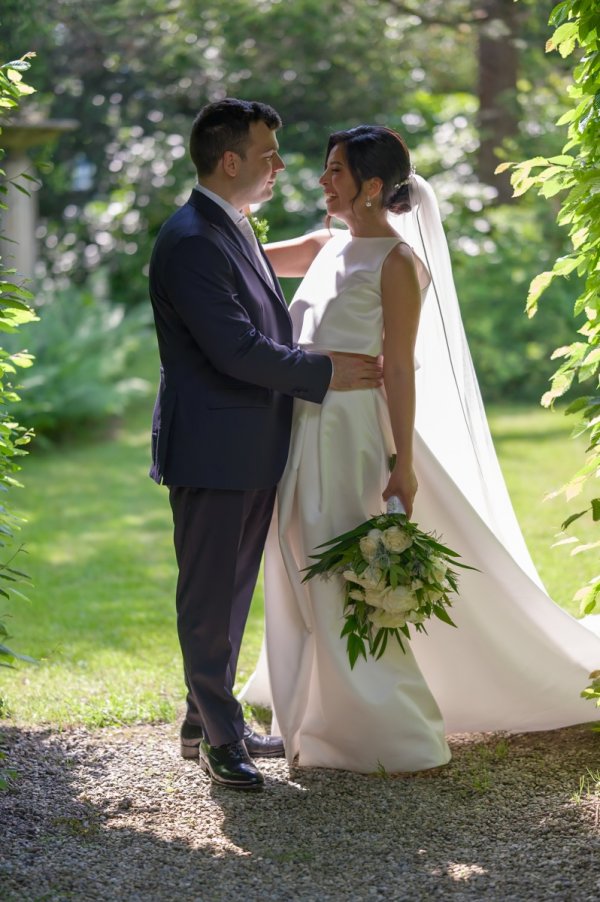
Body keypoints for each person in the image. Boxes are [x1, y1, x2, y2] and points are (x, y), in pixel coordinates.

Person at [240, 125, 600, 774]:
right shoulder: (326, 245)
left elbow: (399, 369)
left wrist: (403, 462)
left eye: (335, 172)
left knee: (339, 563)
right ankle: (316, 702)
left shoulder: (399, 264)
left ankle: (383, 727)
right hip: (297, 425)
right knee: (296, 553)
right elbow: (251, 257)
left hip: (349, 434)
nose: (322, 182)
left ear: (372, 187)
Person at [148, 100, 382, 791]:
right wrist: (323, 369)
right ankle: (221, 741)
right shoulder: (192, 239)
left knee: (230, 591)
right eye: (269, 153)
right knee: (209, 596)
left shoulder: (231, 224)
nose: (280, 165)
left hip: (248, 442)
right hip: (214, 447)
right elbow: (235, 349)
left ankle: (203, 718)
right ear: (232, 162)